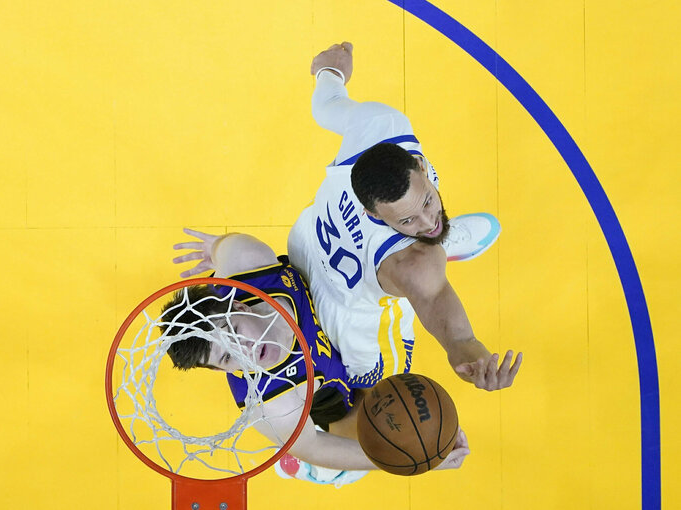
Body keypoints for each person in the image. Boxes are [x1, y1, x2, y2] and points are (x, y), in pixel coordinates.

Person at [283, 42, 524, 394]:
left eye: (427, 202)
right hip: (352, 320)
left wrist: (330, 73)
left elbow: (329, 106)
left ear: (420, 167)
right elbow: (457, 335)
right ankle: (444, 247)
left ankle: (444, 244)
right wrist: (472, 356)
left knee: (428, 251)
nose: (427, 223)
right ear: (373, 213)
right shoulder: (413, 264)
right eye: (407, 222)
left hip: (303, 244)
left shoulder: (381, 125)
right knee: (379, 402)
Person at [163, 228, 470, 484]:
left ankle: (429, 249)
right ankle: (316, 474)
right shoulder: (271, 402)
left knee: (375, 279)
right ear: (221, 370)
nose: (245, 352)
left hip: (339, 323)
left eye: (236, 333)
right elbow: (312, 446)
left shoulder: (248, 263)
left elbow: (224, 248)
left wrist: (215, 246)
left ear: (241, 307)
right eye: (227, 358)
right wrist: (412, 459)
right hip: (332, 398)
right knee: (371, 432)